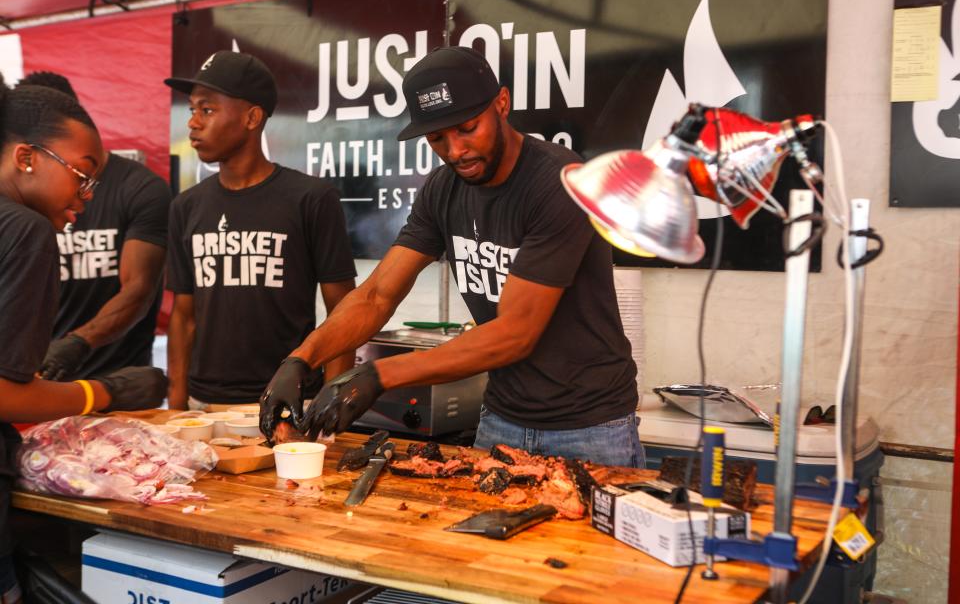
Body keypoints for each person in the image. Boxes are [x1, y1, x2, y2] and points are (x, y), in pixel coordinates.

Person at [260, 46, 643, 467]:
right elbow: (376, 296)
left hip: (590, 428)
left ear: (502, 103)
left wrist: (380, 374)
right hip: (502, 419)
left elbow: (516, 333)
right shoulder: (442, 190)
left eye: (467, 128)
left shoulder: (557, 182)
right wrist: (301, 359)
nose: (455, 150)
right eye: (438, 137)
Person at [0, 77, 167, 603]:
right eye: (82, 174)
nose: (87, 196)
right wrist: (105, 392)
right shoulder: (26, 231)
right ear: (26, 157)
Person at [164, 51, 357, 410]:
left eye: (207, 110)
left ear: (252, 117)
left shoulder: (311, 199)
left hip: (289, 400)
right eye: (191, 110)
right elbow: (183, 314)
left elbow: (344, 311)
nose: (192, 122)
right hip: (203, 404)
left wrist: (332, 401)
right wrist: (176, 405)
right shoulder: (185, 206)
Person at [16, 72, 171, 381]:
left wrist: (78, 342)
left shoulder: (139, 188)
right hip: (40, 383)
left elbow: (139, 289)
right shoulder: (21, 197)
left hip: (117, 381)